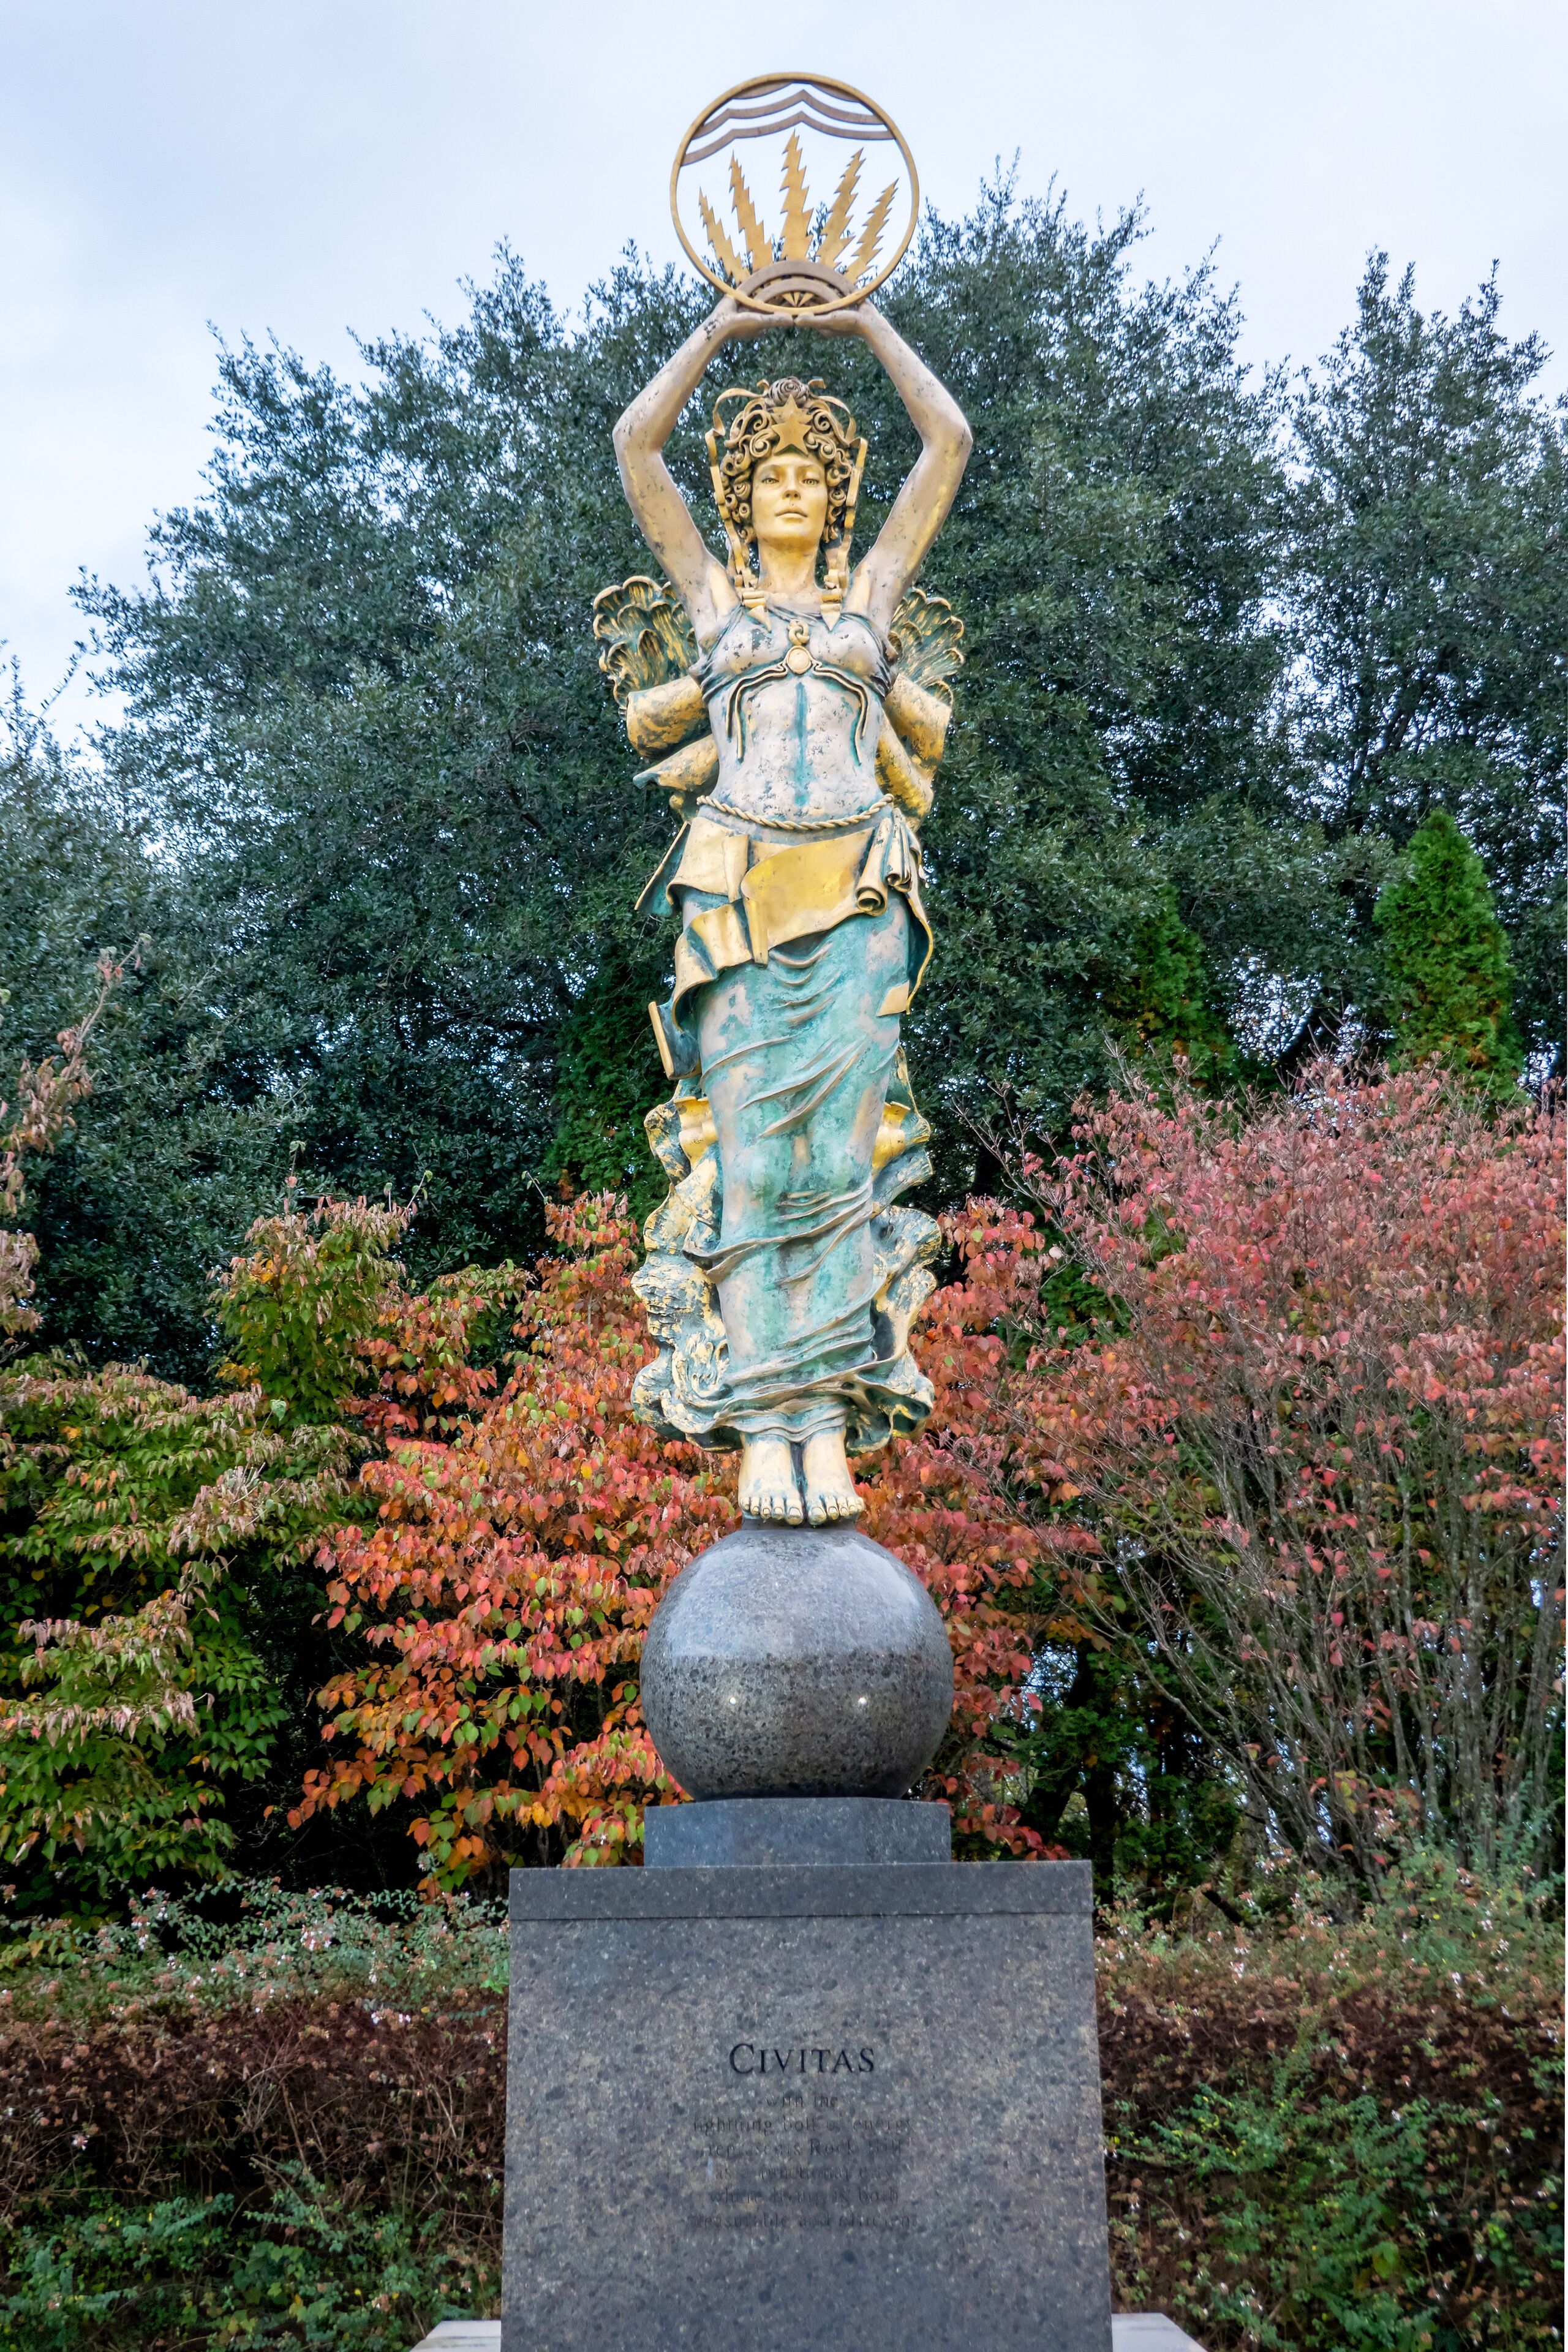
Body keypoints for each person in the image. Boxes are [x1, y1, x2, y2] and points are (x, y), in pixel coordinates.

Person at [612, 294, 971, 1526]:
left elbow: (948, 445)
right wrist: (719, 326)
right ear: (738, 500)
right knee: (760, 1165)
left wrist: (865, 322)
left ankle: (828, 1424)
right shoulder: (717, 611)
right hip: (743, 893)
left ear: (836, 502)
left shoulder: (868, 600)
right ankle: (768, 1422)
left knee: (838, 1172)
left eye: (811, 477)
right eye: (766, 477)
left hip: (863, 888)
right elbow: (633, 449)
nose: (789, 491)